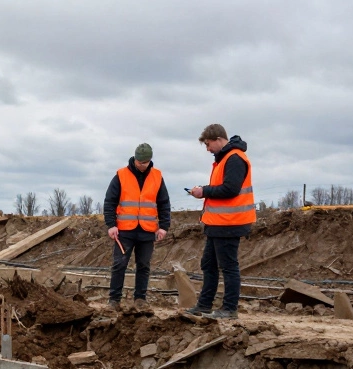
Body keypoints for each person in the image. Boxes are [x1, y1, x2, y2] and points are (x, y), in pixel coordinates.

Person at [186, 124, 254, 319]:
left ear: (218, 139)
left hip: (229, 223)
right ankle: (204, 305)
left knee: (229, 266)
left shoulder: (234, 159)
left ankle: (229, 308)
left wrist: (204, 191)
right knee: (208, 264)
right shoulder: (223, 160)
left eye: (208, 144)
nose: (207, 149)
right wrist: (203, 191)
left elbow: (230, 189)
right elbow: (221, 187)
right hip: (217, 223)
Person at [103, 143, 170, 311]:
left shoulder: (157, 176)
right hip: (125, 230)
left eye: (145, 162)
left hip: (147, 230)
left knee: (144, 265)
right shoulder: (121, 175)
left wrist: (164, 226)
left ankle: (140, 299)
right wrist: (111, 224)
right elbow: (110, 201)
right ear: (134, 159)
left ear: (150, 160)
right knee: (119, 264)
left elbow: (164, 203)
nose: (142, 164)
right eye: (140, 161)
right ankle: (114, 300)